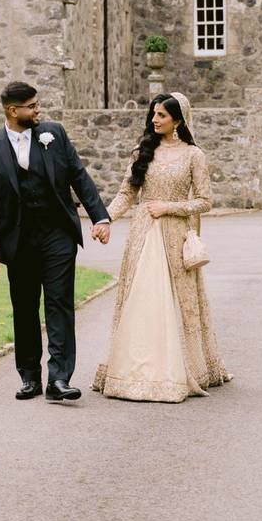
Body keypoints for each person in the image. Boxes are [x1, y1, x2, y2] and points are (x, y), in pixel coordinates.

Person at [0, 81, 111, 402]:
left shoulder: (55, 134)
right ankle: (29, 377)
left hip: (57, 235)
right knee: (24, 309)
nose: (39, 111)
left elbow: (78, 175)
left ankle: (59, 378)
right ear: (12, 111)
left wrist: (100, 217)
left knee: (60, 304)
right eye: (32, 106)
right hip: (18, 241)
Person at [93, 92, 231, 402]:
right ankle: (132, 370)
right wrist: (104, 220)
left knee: (174, 303)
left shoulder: (193, 155)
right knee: (141, 302)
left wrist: (167, 207)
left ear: (178, 120)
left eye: (162, 116)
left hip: (174, 237)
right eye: (153, 114)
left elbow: (205, 201)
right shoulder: (143, 151)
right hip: (143, 237)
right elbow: (126, 194)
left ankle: (184, 370)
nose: (154, 120)